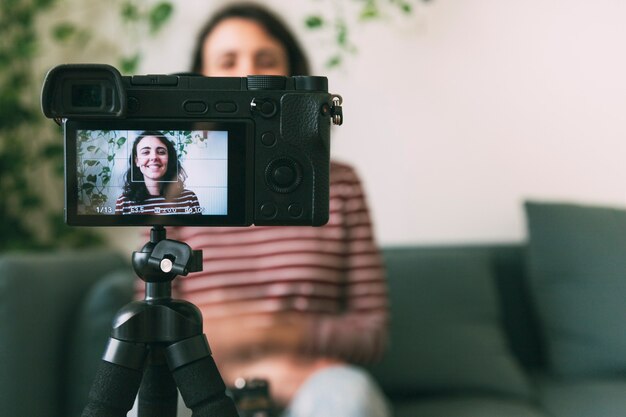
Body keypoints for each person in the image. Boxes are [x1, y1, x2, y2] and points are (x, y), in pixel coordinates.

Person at [167, 4, 390, 417]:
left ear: (291, 77)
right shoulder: (173, 189)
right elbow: (154, 327)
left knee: (346, 402)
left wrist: (273, 330)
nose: (249, 75)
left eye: (265, 60)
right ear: (200, 84)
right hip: (202, 380)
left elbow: (371, 332)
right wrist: (242, 371)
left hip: (315, 383)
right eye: (227, 61)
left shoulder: (338, 185)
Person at [116, 131, 201, 215]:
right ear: (136, 161)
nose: (154, 157)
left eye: (161, 152)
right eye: (145, 152)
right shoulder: (124, 203)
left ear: (169, 159)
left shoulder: (189, 198)